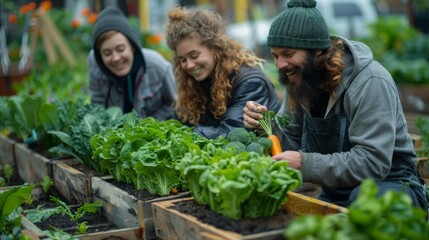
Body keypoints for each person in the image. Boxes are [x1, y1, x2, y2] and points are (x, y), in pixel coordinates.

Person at [243, 0, 428, 211]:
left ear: (317, 52)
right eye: (275, 55)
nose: (280, 65)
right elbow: (291, 146)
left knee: (367, 204)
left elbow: (373, 162)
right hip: (337, 192)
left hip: (392, 185)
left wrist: (305, 163)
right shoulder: (301, 80)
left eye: (288, 54)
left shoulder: (369, 81)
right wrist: (266, 127)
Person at [165, 6, 280, 139]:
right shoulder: (197, 81)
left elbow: (231, 134)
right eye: (182, 60)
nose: (189, 65)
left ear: (215, 47)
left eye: (194, 55)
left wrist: (180, 136)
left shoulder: (251, 82)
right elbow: (179, 121)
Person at [88, 7, 177, 120]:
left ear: (133, 47)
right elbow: (97, 105)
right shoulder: (94, 62)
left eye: (120, 49)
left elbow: (176, 104)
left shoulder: (157, 66)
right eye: (107, 53)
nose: (115, 58)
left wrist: (148, 126)